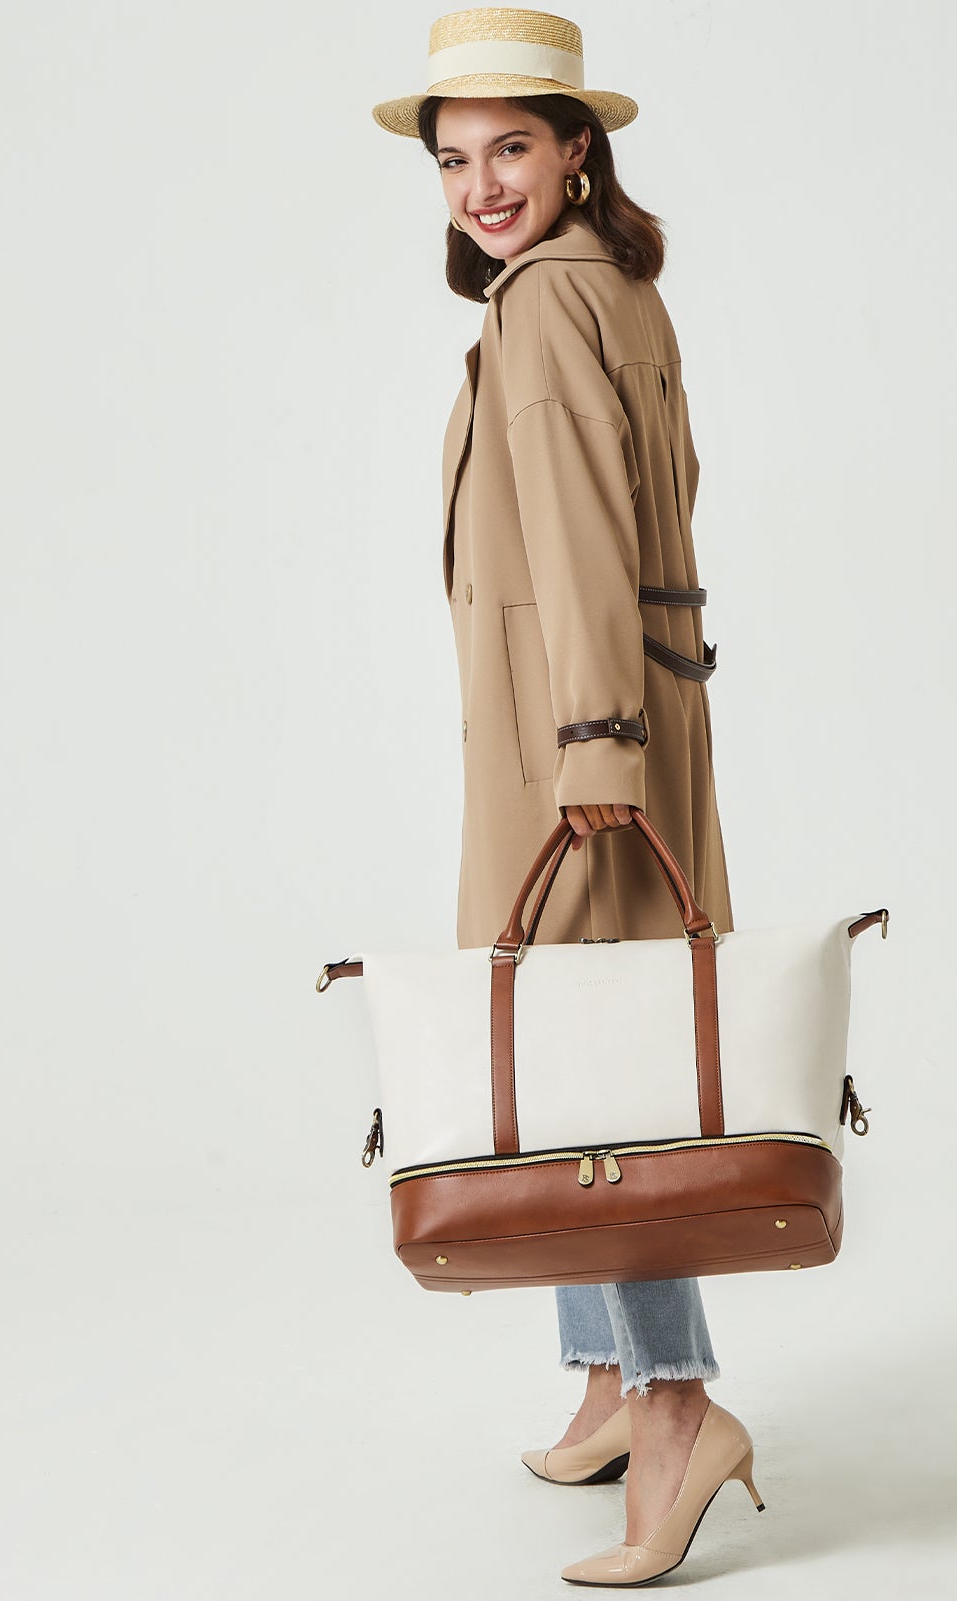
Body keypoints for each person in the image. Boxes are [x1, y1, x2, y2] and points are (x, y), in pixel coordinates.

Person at [373, 9, 761, 1586]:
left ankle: (675, 1405)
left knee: (601, 1083)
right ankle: (605, 1378)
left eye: (510, 148)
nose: (479, 185)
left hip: (574, 742)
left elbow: (594, 537)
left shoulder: (543, 306)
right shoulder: (611, 285)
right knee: (588, 1046)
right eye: (453, 159)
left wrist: (593, 745)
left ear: (576, 148)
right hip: (620, 717)